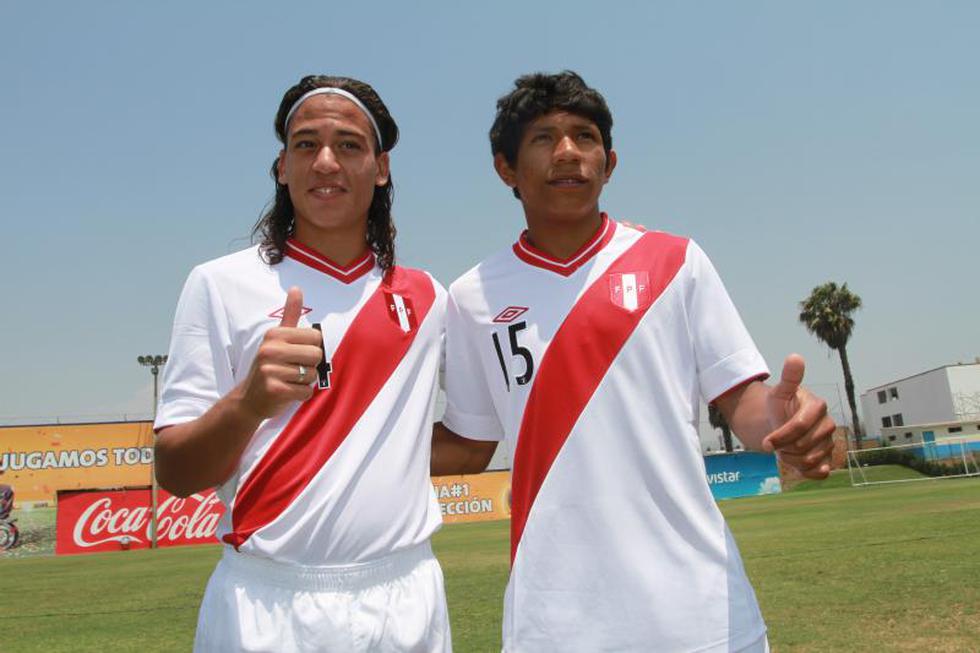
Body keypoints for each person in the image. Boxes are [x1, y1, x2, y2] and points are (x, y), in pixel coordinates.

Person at [432, 71, 836, 652]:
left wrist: (788, 422)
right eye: (544, 138)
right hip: (553, 625)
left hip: (702, 616)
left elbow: (746, 404)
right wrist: (341, 448)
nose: (569, 151)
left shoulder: (676, 261)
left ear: (610, 161)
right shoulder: (471, 297)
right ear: (506, 168)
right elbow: (468, 444)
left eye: (585, 136)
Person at [155, 75, 451, 652]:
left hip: (405, 596)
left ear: (381, 166)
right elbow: (177, 473)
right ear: (282, 167)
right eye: (305, 144)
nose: (325, 162)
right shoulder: (219, 284)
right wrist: (249, 403)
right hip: (265, 604)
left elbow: (473, 431)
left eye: (348, 145)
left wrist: (609, 245)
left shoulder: (429, 297)